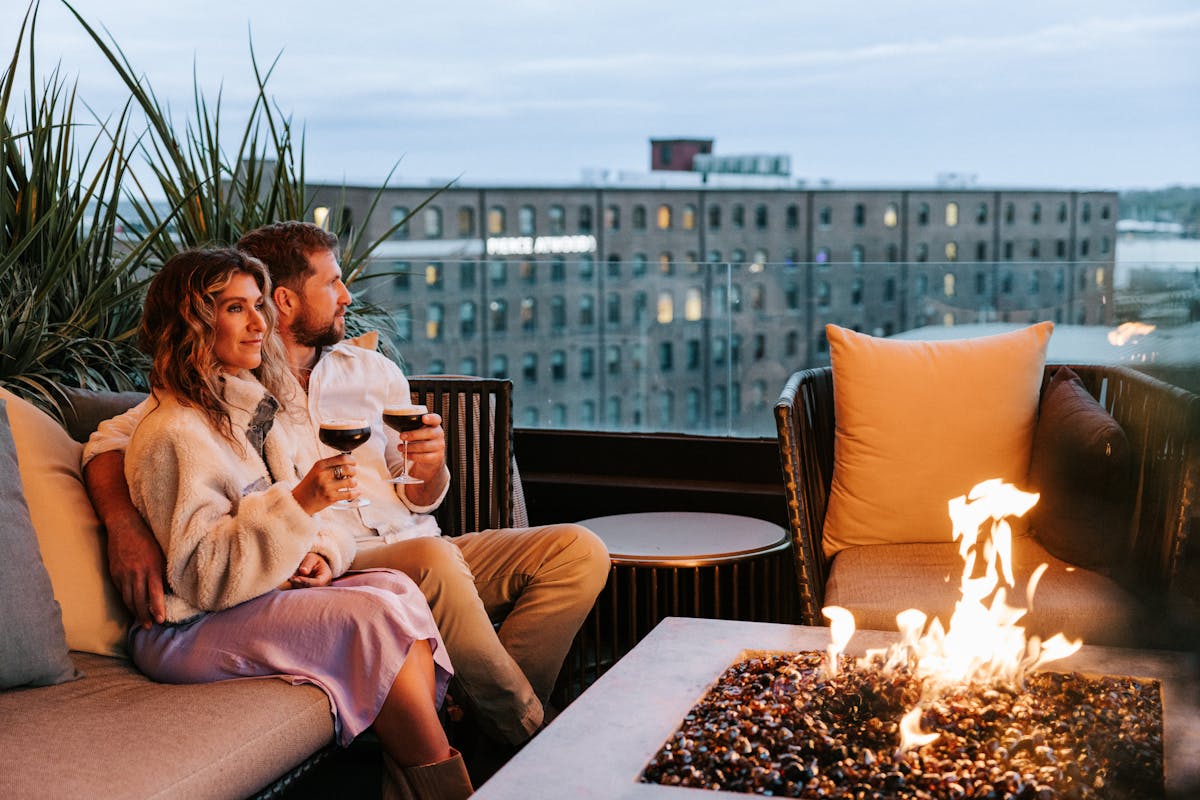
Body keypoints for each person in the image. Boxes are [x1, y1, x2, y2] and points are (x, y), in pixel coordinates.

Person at [83, 222, 610, 754]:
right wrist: (123, 524)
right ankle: (530, 741)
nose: (347, 296)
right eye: (333, 282)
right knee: (431, 564)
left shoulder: (372, 370)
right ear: (285, 300)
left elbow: (415, 496)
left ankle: (485, 725)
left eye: (254, 305)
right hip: (340, 557)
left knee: (578, 552)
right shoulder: (230, 390)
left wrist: (428, 472)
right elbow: (112, 442)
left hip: (411, 539)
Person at [122, 247, 470, 799]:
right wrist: (300, 508)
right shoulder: (174, 435)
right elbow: (200, 576)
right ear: (193, 321)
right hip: (187, 628)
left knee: (398, 589)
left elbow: (323, 521)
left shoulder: (256, 414)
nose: (260, 323)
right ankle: (450, 788)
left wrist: (319, 553)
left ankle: (414, 784)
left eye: (259, 305)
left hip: (253, 598)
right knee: (372, 617)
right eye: (236, 308)